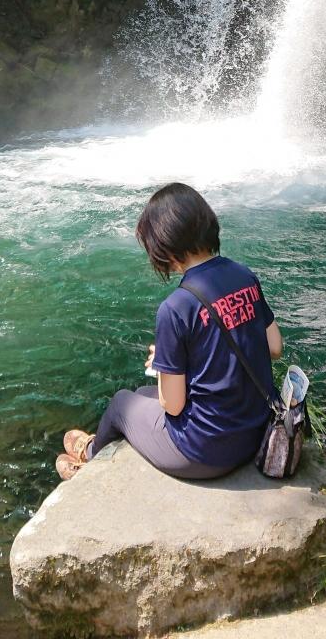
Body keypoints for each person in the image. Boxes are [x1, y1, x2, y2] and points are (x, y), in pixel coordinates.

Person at [56, 181, 283, 481]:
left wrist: (165, 365)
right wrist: (173, 360)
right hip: (256, 433)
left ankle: (90, 457)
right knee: (142, 394)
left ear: (163, 246)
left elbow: (173, 406)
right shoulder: (244, 275)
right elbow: (275, 347)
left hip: (206, 453)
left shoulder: (175, 307)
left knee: (122, 403)